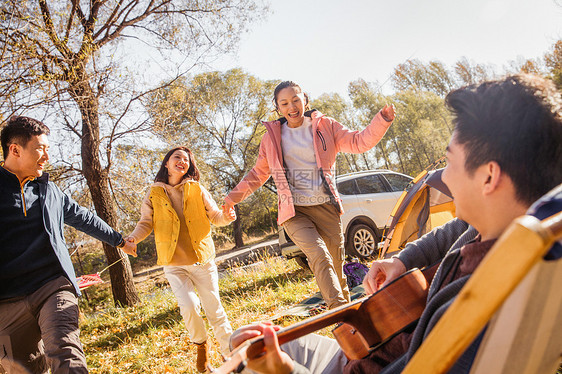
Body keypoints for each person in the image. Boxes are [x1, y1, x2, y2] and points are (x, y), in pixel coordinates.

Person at [229, 73, 562, 374]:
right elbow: (456, 230)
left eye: (448, 162)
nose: (441, 178)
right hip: (365, 349)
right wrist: (402, 259)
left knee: (243, 358)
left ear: (489, 176)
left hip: (358, 366)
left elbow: (359, 141)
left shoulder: (473, 307)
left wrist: (283, 370)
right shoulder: (520, 236)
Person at [223, 81, 395, 309]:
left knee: (336, 266)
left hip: (326, 207)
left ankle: (348, 316)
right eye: (284, 103)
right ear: (277, 107)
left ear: (305, 99)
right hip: (294, 211)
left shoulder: (326, 126)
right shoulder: (272, 139)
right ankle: (338, 312)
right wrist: (232, 198)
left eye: (295, 99)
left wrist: (381, 120)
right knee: (319, 255)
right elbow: (258, 174)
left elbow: (358, 142)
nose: (291, 106)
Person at [0, 116, 136, 373]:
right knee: (22, 369)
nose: (46, 156)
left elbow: (84, 218)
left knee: (66, 351)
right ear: (15, 149)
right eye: (40, 148)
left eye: (48, 149)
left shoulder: (50, 192)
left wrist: (119, 241)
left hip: (53, 287)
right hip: (7, 303)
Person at [125, 146, 235, 373]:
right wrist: (133, 238)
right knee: (189, 306)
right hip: (174, 264)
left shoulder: (197, 188)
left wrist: (226, 216)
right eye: (177, 157)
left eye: (186, 159)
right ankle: (202, 350)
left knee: (215, 309)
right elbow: (146, 222)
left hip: (202, 260)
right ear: (166, 163)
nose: (182, 161)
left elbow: (215, 216)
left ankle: (230, 354)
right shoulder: (154, 192)